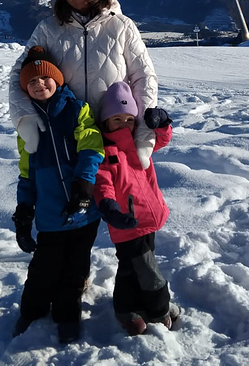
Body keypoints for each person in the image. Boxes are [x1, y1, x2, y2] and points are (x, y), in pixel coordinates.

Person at [9, 0, 159, 171]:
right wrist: (25, 117)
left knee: (120, 201)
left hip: (116, 133)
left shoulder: (122, 26)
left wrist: (144, 131)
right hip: (68, 134)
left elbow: (144, 76)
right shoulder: (48, 29)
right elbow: (19, 75)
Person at [11, 46, 105, 344]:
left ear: (58, 80)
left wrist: (85, 185)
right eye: (32, 82)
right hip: (51, 216)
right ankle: (31, 311)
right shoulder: (27, 126)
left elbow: (91, 146)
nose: (40, 85)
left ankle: (68, 317)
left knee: (74, 271)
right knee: (43, 269)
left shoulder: (77, 110)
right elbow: (27, 173)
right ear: (25, 89)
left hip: (84, 210)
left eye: (45, 79)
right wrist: (25, 211)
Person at [93, 81, 180, 335]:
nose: (123, 124)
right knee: (146, 268)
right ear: (105, 121)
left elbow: (161, 139)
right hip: (127, 223)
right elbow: (102, 183)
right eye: (116, 118)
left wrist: (162, 123)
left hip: (148, 218)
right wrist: (108, 205)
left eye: (129, 118)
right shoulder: (106, 151)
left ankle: (127, 308)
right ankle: (159, 309)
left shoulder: (139, 143)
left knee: (130, 268)